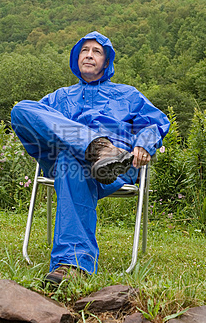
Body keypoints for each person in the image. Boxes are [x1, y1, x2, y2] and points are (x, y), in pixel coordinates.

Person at [11, 31, 170, 284]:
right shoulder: (60, 97)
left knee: (69, 163)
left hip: (114, 168)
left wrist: (144, 144)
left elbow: (155, 123)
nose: (89, 55)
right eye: (84, 50)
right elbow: (36, 122)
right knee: (22, 109)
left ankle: (72, 265)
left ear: (106, 62)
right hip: (69, 157)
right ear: (76, 58)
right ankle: (97, 147)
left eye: (97, 51)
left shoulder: (128, 94)